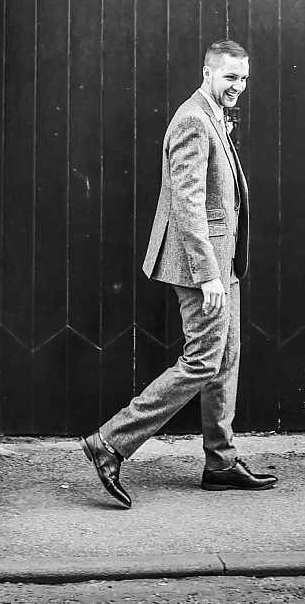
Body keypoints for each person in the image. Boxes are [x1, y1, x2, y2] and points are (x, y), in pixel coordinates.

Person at [79, 40, 276, 507]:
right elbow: (186, 203)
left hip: (223, 259)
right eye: (230, 77)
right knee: (203, 360)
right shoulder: (192, 119)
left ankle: (221, 462)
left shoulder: (214, 114)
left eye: (244, 78)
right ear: (207, 72)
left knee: (226, 358)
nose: (238, 86)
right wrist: (207, 273)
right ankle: (110, 442)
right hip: (199, 264)